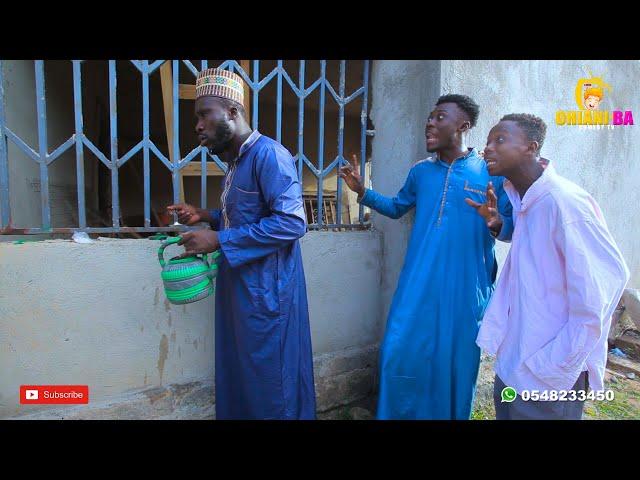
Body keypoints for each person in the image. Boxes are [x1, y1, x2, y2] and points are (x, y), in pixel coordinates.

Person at [339, 94, 514, 419]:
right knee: (399, 351)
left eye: (440, 117)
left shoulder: (491, 174)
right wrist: (363, 193)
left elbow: (510, 229)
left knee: (456, 364)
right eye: (429, 117)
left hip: (465, 288)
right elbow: (396, 207)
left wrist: (497, 222)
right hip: (418, 282)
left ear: (462, 126)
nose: (430, 123)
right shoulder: (421, 172)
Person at [167, 68, 316, 420]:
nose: (198, 125)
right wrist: (205, 216)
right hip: (240, 289)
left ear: (233, 111)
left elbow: (293, 223)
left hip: (268, 292)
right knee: (242, 378)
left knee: (270, 384)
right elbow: (248, 219)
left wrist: (219, 238)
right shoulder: (236, 163)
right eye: (196, 118)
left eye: (205, 114)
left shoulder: (269, 155)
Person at [474, 113, 630, 420]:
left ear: (531, 148)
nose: (488, 149)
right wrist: (498, 224)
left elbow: (608, 281)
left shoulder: (565, 202)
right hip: (515, 363)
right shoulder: (525, 202)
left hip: (547, 376)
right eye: (488, 141)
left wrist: (556, 363)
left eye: (499, 140)